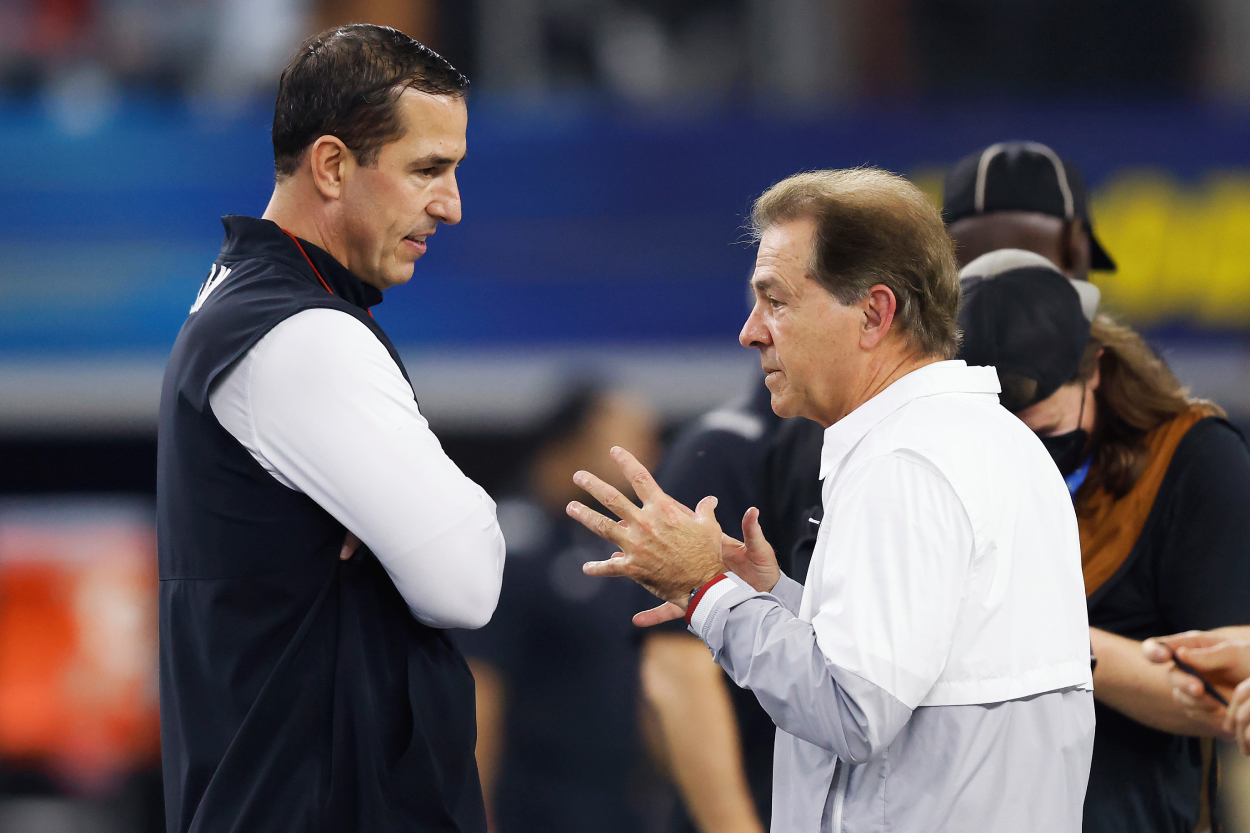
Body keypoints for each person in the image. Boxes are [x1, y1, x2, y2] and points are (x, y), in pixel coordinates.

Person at [567, 168, 1095, 832]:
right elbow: (926, 663)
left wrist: (707, 592)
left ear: (874, 313)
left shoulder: (907, 462)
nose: (751, 331)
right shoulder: (983, 438)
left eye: (776, 300)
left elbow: (854, 710)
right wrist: (772, 596)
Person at [156, 25, 505, 833]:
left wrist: (385, 532)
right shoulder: (301, 335)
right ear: (333, 164)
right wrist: (422, 524)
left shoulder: (246, 304)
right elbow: (467, 578)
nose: (451, 205)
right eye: (428, 170)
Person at [947, 142, 1250, 833]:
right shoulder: (924, 446)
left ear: (1094, 369)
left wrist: (1034, 630)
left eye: (1039, 420)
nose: (1019, 443)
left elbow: (1219, 689)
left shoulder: (1190, 459)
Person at [455, 385, 663, 833]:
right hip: (534, 806)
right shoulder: (509, 546)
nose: (651, 457)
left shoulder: (617, 549)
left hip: (620, 803)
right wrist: (475, 811)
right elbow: (479, 685)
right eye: (633, 441)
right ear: (572, 444)